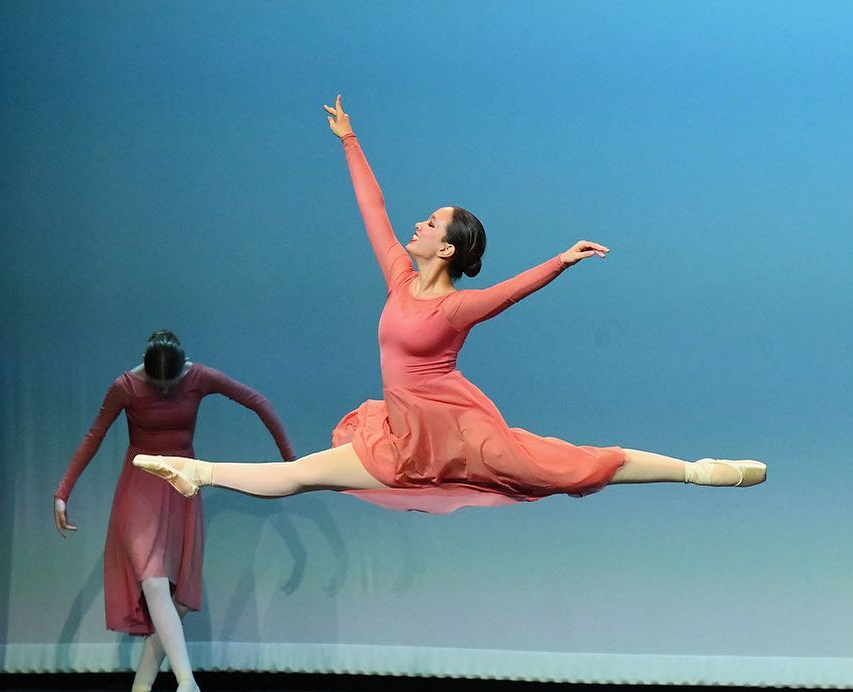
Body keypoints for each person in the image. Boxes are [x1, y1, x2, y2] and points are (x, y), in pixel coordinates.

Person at [133, 97, 765, 512]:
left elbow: (507, 293)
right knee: (302, 475)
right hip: (401, 439)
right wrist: (349, 140)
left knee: (574, 466)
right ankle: (198, 474)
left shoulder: (453, 309)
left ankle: (697, 470)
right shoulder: (400, 280)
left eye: (431, 223)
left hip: (460, 437)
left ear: (447, 248)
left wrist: (560, 261)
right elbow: (374, 210)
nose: (419, 224)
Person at [55, 330, 295, 692]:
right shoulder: (125, 387)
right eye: (158, 384)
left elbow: (258, 402)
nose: (165, 390)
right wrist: (63, 492)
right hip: (140, 488)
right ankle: (187, 682)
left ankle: (141, 690)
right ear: (145, 370)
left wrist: (291, 463)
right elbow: (93, 436)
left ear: (182, 368)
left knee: (178, 597)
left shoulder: (199, 378)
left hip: (182, 487)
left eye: (171, 383)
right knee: (154, 582)